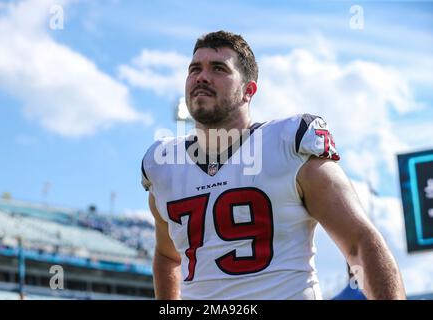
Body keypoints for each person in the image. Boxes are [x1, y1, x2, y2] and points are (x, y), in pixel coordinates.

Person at [141, 30, 406, 300]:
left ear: (248, 90)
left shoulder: (287, 145)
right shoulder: (164, 165)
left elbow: (359, 242)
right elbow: (167, 255)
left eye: (218, 68)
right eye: (194, 68)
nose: (202, 76)